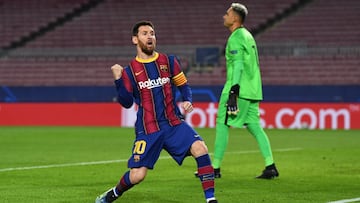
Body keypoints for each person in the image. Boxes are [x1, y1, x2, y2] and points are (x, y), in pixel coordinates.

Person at [95, 21, 218, 203]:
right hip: (148, 128)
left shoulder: (169, 62)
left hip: (173, 123)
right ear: (135, 40)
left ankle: (211, 199)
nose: (150, 36)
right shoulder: (129, 72)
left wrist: (187, 100)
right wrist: (118, 80)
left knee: (201, 149)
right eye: (144, 33)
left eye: (152, 32)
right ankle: (113, 194)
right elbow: (127, 103)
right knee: (137, 176)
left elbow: (184, 86)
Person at [197, 3, 279, 179]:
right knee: (255, 126)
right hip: (253, 89)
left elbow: (239, 65)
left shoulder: (235, 38)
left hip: (238, 89)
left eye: (227, 13)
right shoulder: (248, 35)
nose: (224, 16)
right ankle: (270, 165)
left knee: (222, 122)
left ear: (235, 18)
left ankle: (215, 168)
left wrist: (233, 91)